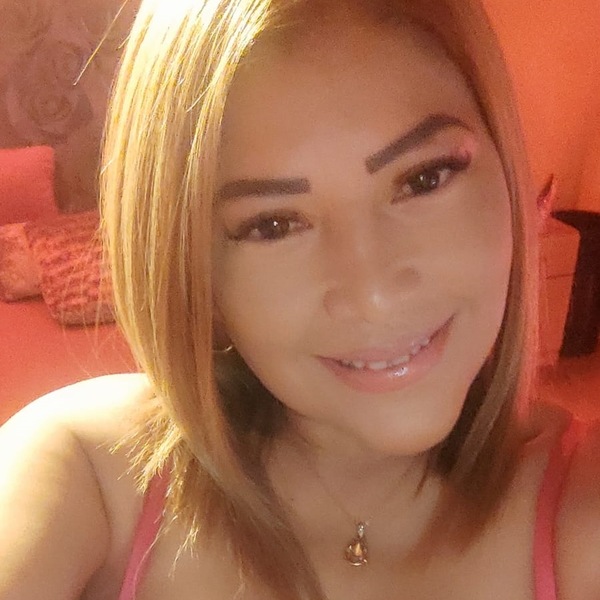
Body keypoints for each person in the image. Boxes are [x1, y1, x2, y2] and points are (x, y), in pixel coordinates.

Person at [1, 0, 599, 598]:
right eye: (272, 225)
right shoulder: (86, 473)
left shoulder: (583, 506)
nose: (372, 294)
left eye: (424, 179)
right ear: (194, 272)